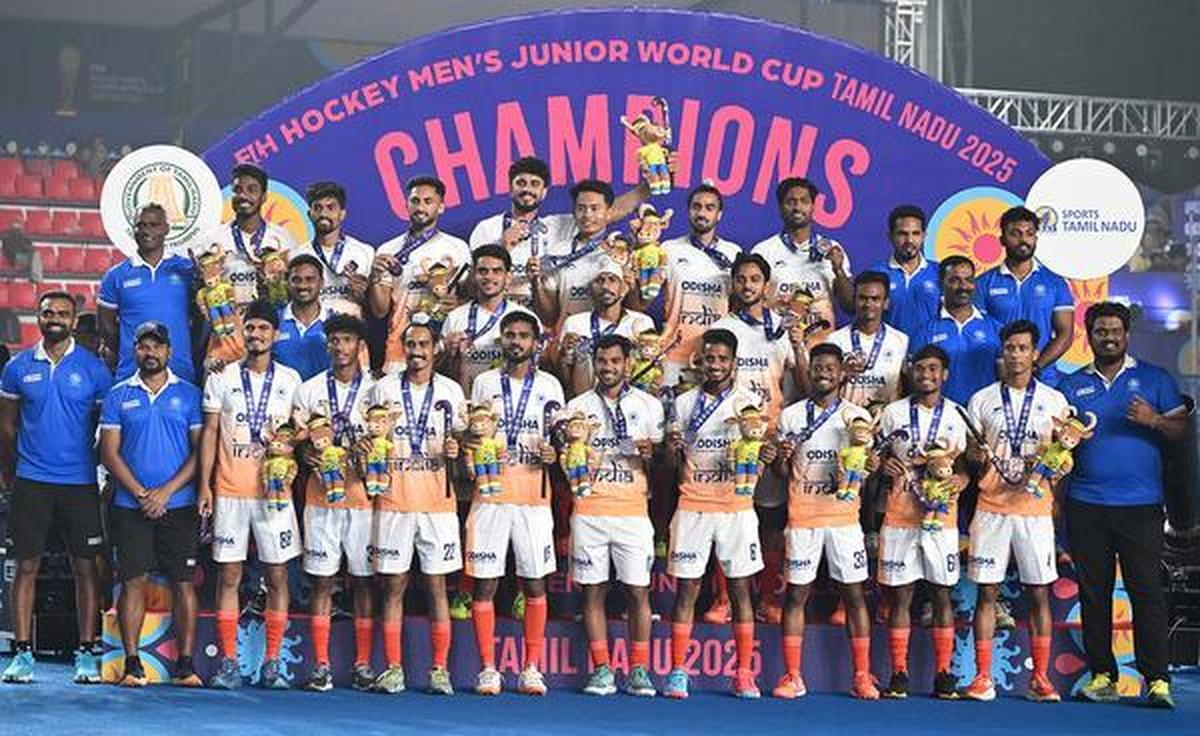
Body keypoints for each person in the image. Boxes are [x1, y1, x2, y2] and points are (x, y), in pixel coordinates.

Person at [1059, 302, 1187, 709]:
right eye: (1101, 331)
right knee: (1094, 594)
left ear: (1127, 334)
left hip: (1142, 505)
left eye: (1115, 331)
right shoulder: (1070, 386)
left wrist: (1154, 420)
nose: (1109, 338)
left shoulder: (1155, 379)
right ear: (1090, 336)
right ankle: (1103, 676)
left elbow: (1181, 431)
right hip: (1085, 504)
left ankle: (1157, 680)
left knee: (1146, 592)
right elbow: (1059, 449)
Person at [0, 291, 112, 684]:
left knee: (86, 569)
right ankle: (22, 654)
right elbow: (6, 426)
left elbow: (107, 428)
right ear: (38, 317)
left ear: (74, 320)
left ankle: (86, 653)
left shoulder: (94, 369)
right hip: (31, 482)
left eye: (63, 314)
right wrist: (14, 472)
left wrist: (94, 466)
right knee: (26, 566)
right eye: (48, 313)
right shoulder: (17, 367)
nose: (55, 319)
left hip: (79, 484)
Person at [198, 301, 303, 690]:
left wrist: (292, 443)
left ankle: (272, 661)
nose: (256, 335)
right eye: (251, 328)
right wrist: (205, 485)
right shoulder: (222, 377)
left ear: (276, 334)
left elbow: (301, 430)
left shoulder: (291, 380)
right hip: (230, 491)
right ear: (242, 332)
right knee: (229, 575)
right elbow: (210, 432)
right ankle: (229, 661)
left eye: (263, 328)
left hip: (274, 493)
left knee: (277, 575)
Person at [962, 320, 1068, 703]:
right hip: (991, 508)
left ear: (1035, 353)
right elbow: (970, 460)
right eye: (1010, 348)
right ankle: (982, 677)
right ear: (1002, 352)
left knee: (1038, 593)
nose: (1016, 355)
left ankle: (1040, 678)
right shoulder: (982, 399)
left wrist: (1057, 497)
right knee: (987, 593)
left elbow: (1063, 457)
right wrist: (975, 457)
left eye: (1023, 348)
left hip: (1035, 510)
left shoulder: (1055, 401)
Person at [98, 321, 203, 688]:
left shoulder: (189, 394)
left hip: (180, 504)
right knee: (133, 582)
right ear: (135, 351)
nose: (151, 352)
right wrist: (144, 494)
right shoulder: (118, 395)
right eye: (144, 346)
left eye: (157, 346)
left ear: (169, 351)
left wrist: (165, 492)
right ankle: (132, 664)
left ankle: (185, 666)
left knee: (183, 582)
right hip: (131, 506)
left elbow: (200, 453)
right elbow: (109, 453)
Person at [366, 317, 466, 695]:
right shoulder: (384, 389)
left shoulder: (452, 391)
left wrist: (457, 449)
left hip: (438, 504)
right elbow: (367, 437)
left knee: (436, 585)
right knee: (394, 584)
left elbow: (466, 442)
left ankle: (440, 669)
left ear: (435, 349)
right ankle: (393, 668)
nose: (417, 352)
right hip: (394, 501)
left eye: (424, 345)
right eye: (411, 345)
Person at [467, 311, 565, 695]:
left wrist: (554, 453)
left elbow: (561, 439)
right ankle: (487, 668)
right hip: (490, 497)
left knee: (535, 583)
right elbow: (472, 435)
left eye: (524, 336)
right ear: (502, 340)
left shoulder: (551, 385)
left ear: (535, 343)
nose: (516, 341)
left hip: (532, 499)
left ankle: (531, 668)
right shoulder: (484, 383)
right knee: (484, 584)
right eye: (510, 335)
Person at [662, 328, 763, 699]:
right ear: (699, 361)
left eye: (722, 359)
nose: (715, 365)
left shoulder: (749, 403)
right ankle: (678, 671)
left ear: (734, 363)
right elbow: (671, 465)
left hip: (736, 508)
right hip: (693, 505)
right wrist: (671, 449)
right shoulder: (684, 402)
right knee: (687, 589)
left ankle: (744, 673)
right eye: (709, 358)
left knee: (739, 589)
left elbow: (757, 457)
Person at [771, 343, 877, 700]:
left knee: (854, 595)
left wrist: (872, 466)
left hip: (844, 519)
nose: (824, 373)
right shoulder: (791, 416)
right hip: (803, 517)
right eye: (818, 367)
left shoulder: (857, 416)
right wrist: (781, 457)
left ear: (842, 373)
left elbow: (865, 471)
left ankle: (861, 675)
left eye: (831, 368)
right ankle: (792, 675)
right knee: (796, 594)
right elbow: (780, 472)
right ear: (809, 370)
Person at [566, 335, 663, 697]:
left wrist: (653, 454)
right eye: (602, 361)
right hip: (589, 511)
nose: (608, 368)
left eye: (615, 361)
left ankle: (638, 669)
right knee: (593, 592)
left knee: (637, 591)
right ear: (594, 363)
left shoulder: (649, 405)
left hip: (632, 512)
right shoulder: (576, 407)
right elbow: (566, 463)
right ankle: (602, 669)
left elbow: (665, 465)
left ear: (628, 363)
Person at [711, 253, 803, 625]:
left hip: (771, 436)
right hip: (731, 439)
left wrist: (800, 344)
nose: (747, 285)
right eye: (741, 279)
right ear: (733, 284)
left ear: (767, 286)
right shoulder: (722, 327)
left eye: (754, 279)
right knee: (728, 519)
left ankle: (767, 597)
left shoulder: (783, 328)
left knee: (769, 522)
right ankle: (724, 600)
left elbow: (800, 382)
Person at [291, 314, 377, 692]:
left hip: (363, 500)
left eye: (347, 340)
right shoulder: (309, 390)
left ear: (360, 346)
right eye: (335, 340)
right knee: (322, 582)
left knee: (363, 582)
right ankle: (321, 665)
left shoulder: (377, 391)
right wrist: (304, 453)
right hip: (321, 499)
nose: (340, 347)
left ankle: (363, 664)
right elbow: (294, 442)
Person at [875, 344, 967, 700]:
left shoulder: (958, 414)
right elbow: (875, 458)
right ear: (911, 372)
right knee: (901, 595)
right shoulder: (893, 413)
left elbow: (965, 468)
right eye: (920, 368)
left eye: (933, 369)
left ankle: (944, 673)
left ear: (945, 374)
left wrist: (962, 480)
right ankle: (899, 672)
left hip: (941, 519)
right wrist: (882, 467)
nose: (926, 375)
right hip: (900, 515)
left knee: (941, 594)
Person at [370, 175, 472, 373]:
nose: (420, 207)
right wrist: (375, 276)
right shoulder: (388, 249)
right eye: (415, 201)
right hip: (400, 349)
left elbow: (471, 297)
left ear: (440, 207)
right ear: (407, 205)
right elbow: (380, 311)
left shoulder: (458, 248)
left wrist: (458, 303)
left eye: (428, 201)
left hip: (444, 347)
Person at [974, 206, 1074, 386]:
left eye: (1029, 234)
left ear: (1036, 238)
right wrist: (1003, 367)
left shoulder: (1055, 283)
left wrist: (1035, 367)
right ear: (1002, 239)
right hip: (995, 380)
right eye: (1015, 234)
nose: (1023, 240)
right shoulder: (982, 284)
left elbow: (1065, 334)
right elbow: (979, 334)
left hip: (1044, 380)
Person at [98, 204, 196, 382]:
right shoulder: (115, 276)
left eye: (154, 225)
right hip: (131, 375)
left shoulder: (187, 270)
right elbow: (106, 327)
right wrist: (130, 350)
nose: (146, 230)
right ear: (133, 229)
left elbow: (201, 320)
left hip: (180, 374)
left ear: (166, 229)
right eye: (141, 225)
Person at [657, 183, 743, 386]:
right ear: (688, 211)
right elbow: (645, 298)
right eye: (696, 207)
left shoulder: (733, 253)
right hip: (673, 354)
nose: (702, 213)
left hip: (717, 358)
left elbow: (739, 305)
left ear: (719, 214)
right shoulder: (669, 249)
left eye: (709, 208)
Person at [750, 177, 854, 334]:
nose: (797, 207)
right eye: (790, 202)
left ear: (813, 207)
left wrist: (838, 270)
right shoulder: (763, 251)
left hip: (820, 342)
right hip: (776, 341)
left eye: (804, 201)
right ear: (780, 207)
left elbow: (850, 306)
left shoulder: (832, 250)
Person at [469, 157, 575, 307]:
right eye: (521, 183)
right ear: (510, 188)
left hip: (540, 314)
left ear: (544, 192)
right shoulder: (486, 228)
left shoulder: (557, 227)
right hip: (494, 312)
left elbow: (599, 217)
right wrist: (502, 247)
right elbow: (469, 287)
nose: (527, 189)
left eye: (535, 184)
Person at [197, 163, 297, 310]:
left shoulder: (283, 239)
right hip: (229, 320)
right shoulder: (212, 240)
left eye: (252, 190)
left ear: (264, 197)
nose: (243, 196)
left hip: (271, 320)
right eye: (238, 190)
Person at [442, 244, 538, 394]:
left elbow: (538, 366)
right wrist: (448, 352)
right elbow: (442, 371)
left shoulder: (525, 317)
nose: (489, 277)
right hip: (467, 398)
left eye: (496, 271)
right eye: (483, 271)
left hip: (512, 399)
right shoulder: (455, 317)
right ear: (473, 275)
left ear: (508, 277)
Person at [910, 256, 1001, 406]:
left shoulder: (996, 329)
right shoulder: (924, 332)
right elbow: (915, 382)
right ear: (941, 285)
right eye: (955, 280)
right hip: (941, 415)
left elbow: (1004, 378)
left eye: (969, 280)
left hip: (986, 412)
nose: (963, 286)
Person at [558, 257, 655, 397]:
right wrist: (564, 354)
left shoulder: (641, 323)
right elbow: (565, 379)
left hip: (629, 401)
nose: (605, 286)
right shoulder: (574, 323)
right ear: (591, 289)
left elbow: (651, 372)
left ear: (623, 289)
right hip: (586, 402)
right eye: (599, 280)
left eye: (612, 280)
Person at [289, 181, 374, 318]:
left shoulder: (365, 252)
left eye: (330, 208)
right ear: (309, 214)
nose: (324, 213)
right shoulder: (296, 255)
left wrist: (363, 295)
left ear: (342, 214)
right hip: (313, 329)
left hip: (350, 329)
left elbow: (376, 308)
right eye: (318, 208)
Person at [827, 271, 909, 409]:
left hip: (885, 417)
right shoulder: (835, 340)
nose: (868, 304)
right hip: (844, 417)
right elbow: (824, 386)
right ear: (854, 300)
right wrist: (842, 372)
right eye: (862, 298)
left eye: (875, 299)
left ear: (886, 303)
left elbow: (906, 387)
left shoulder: (901, 340)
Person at [870, 205, 940, 339]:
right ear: (890, 236)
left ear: (924, 236)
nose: (909, 240)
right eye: (902, 234)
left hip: (930, 350)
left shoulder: (939, 272)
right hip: (889, 350)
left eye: (916, 233)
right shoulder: (876, 273)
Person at [272, 254, 332, 381]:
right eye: (296, 280)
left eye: (309, 279)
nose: (302, 286)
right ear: (288, 283)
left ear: (321, 283)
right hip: (282, 393)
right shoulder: (272, 322)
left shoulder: (336, 323)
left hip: (325, 393)